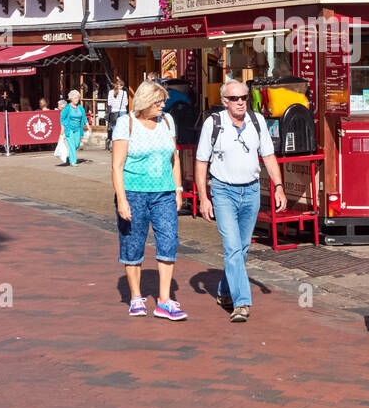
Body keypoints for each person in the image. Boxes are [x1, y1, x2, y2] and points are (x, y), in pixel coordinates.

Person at [195, 79, 287, 323]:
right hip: (223, 191)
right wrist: (204, 197)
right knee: (233, 247)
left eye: (244, 97)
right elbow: (201, 161)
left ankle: (225, 291)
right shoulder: (213, 123)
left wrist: (278, 187)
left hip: (252, 191)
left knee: (242, 248)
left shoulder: (256, 121)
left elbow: (268, 156)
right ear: (225, 102)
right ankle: (242, 303)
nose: (240, 102)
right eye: (234, 98)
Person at [110, 80, 186, 320]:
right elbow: (117, 166)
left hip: (163, 193)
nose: (164, 105)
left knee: (169, 240)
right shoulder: (126, 123)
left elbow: (174, 158)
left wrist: (178, 189)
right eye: (159, 101)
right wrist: (122, 199)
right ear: (145, 102)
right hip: (134, 192)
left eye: (164, 101)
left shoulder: (167, 121)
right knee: (133, 244)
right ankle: (135, 297)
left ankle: (164, 300)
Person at [60, 90, 88, 166]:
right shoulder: (67, 108)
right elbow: (62, 117)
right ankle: (73, 161)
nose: (77, 99)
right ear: (71, 99)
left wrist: (88, 126)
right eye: (75, 98)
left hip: (78, 129)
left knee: (76, 144)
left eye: (78, 98)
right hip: (69, 129)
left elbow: (84, 117)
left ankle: (70, 157)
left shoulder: (80, 108)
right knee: (72, 145)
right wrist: (62, 127)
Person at [105, 77, 129, 150]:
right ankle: (121, 145)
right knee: (122, 129)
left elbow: (109, 103)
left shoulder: (110, 92)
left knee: (114, 129)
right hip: (122, 111)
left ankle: (114, 145)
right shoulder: (124, 93)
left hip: (114, 111)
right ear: (121, 86)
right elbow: (125, 103)